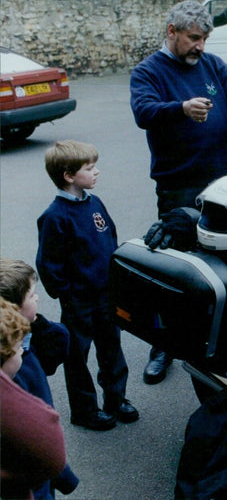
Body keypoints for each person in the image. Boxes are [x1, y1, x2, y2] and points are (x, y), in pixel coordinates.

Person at [130, 0, 227, 383]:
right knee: (177, 266)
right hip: (178, 186)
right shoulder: (148, 71)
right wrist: (180, 108)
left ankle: (224, 336)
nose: (200, 47)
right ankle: (164, 345)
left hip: (224, 184)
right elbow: (143, 112)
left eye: (205, 39)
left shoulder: (210, 64)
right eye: (194, 38)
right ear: (172, 32)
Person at [36, 140, 137, 431]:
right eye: (89, 168)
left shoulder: (95, 203)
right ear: (69, 176)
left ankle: (116, 399)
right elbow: (48, 263)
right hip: (78, 301)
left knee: (112, 348)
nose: (96, 172)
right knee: (77, 356)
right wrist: (66, 294)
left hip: (106, 295)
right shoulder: (55, 216)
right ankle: (84, 410)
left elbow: (110, 241)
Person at [0, 259, 79, 499]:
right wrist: (64, 475)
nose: (37, 298)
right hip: (32, 479)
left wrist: (33, 321)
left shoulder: (19, 347)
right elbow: (35, 440)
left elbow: (59, 344)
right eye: (31, 295)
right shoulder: (12, 376)